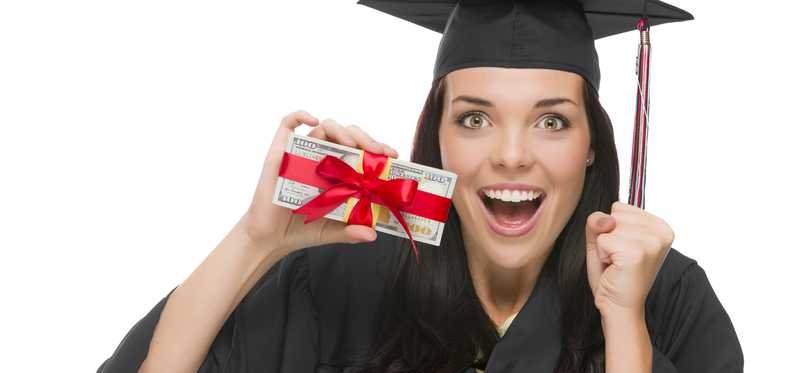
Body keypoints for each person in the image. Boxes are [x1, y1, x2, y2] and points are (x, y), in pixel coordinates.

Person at [97, 1, 744, 372]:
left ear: (592, 144)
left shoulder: (668, 296)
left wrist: (625, 319)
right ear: (437, 139)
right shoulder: (344, 271)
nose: (512, 155)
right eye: (474, 118)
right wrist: (253, 239)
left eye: (552, 120)